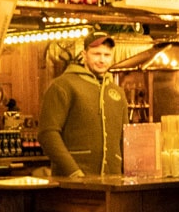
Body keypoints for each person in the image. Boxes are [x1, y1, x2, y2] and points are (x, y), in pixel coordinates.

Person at [39, 34, 129, 178]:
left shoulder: (117, 92)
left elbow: (126, 138)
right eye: (96, 54)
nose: (102, 59)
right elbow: (48, 134)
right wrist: (73, 172)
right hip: (73, 184)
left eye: (107, 55)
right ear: (84, 54)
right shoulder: (63, 85)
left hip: (113, 181)